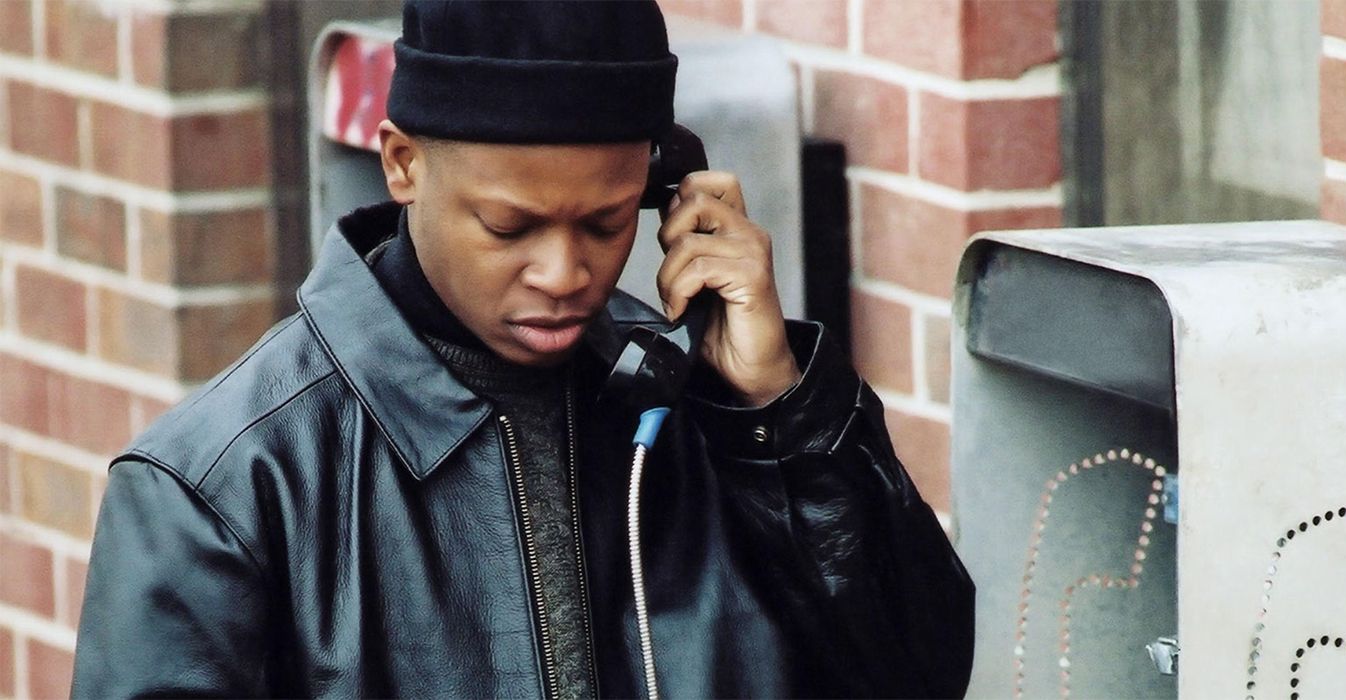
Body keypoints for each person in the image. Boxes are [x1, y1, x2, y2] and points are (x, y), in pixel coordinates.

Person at [71, 1, 974, 697]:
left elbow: (917, 673)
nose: (564, 271)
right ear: (402, 163)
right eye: (509, 225)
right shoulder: (222, 485)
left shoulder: (695, 410)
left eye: (606, 221)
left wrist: (775, 413)